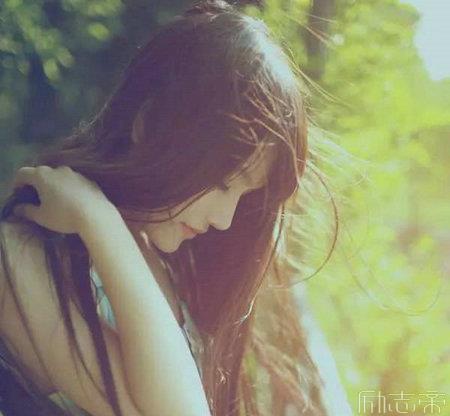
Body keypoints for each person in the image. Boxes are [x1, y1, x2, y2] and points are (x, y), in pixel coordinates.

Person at [0, 0, 338, 415]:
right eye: (221, 183)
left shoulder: (170, 264)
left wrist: (103, 225)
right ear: (149, 124)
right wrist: (99, 221)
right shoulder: (20, 255)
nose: (224, 219)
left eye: (244, 195)